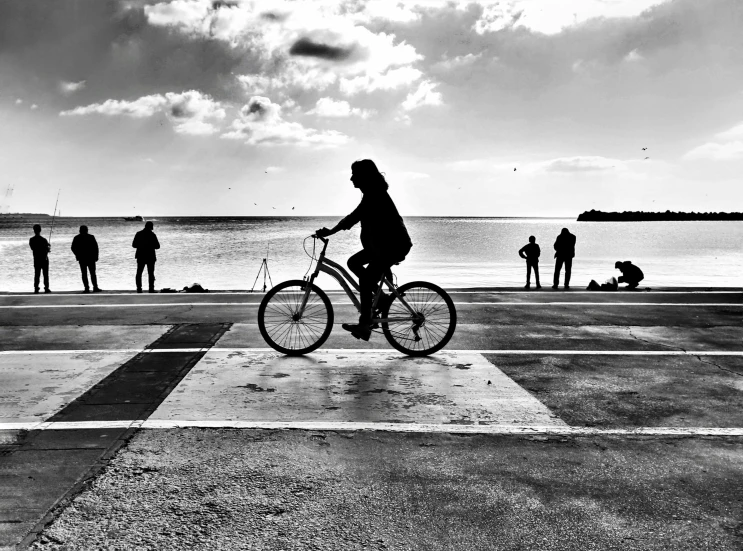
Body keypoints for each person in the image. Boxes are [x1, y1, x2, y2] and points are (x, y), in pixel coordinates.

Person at [315, 159, 412, 341]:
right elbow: (355, 217)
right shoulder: (371, 194)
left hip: (392, 246)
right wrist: (332, 231)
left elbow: (354, 217)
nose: (351, 178)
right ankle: (382, 299)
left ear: (364, 177)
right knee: (353, 262)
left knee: (366, 281)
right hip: (382, 247)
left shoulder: (375, 195)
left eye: (355, 174)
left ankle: (364, 324)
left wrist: (330, 231)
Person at [71, 225, 101, 293]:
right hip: (91, 258)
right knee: (92, 273)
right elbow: (96, 247)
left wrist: (77, 255)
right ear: (87, 230)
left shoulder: (77, 238)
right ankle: (95, 287)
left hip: (82, 258)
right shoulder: (91, 237)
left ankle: (86, 288)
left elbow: (73, 248)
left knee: (84, 274)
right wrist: (96, 256)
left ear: (80, 230)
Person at [132, 221, 160, 293]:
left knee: (139, 273)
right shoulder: (152, 235)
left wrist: (141, 246)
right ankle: (151, 288)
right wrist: (150, 246)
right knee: (151, 273)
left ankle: (139, 288)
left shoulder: (138, 234)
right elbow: (157, 246)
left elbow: (134, 245)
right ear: (151, 227)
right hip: (150, 256)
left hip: (141, 255)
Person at [29, 224, 51, 294]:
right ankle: (46, 288)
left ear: (34, 230)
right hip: (44, 259)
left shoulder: (31, 240)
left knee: (37, 274)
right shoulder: (44, 240)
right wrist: (48, 247)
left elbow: (32, 248)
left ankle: (36, 288)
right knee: (45, 274)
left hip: (36, 259)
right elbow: (47, 250)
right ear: (40, 230)